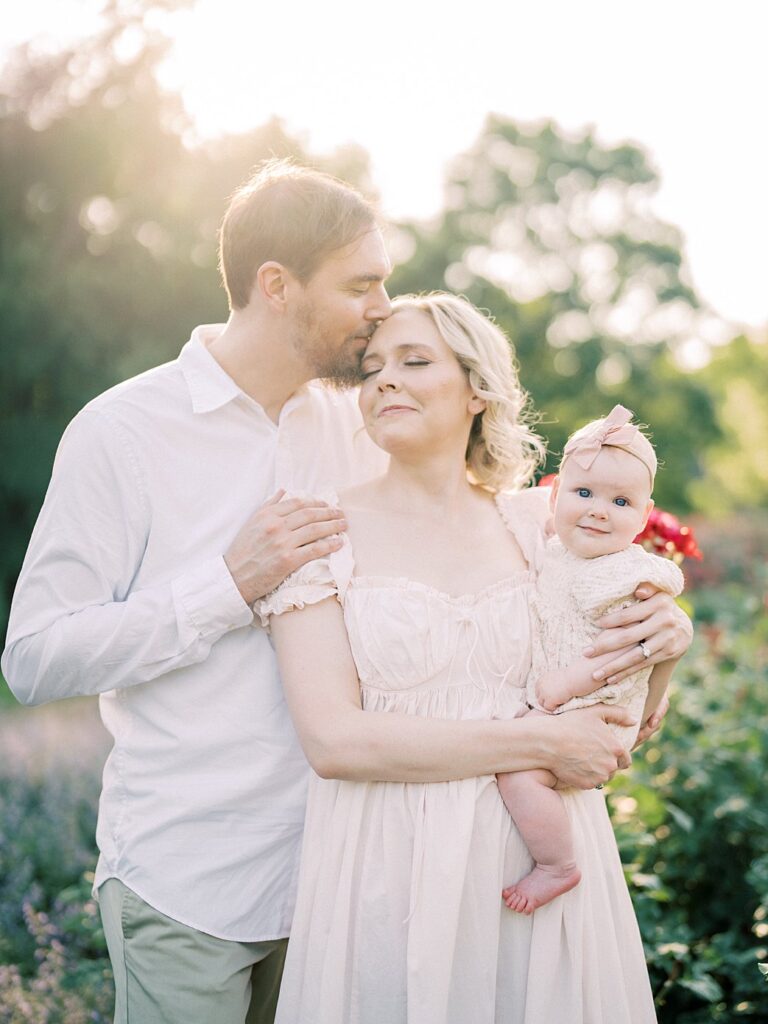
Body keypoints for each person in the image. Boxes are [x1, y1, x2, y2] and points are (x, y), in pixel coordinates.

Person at [1, 162, 689, 1024]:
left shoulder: (363, 418)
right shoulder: (124, 433)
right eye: (363, 284)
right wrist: (227, 584)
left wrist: (652, 618)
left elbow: (487, 538)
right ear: (278, 287)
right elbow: (33, 658)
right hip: (195, 873)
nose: (381, 307)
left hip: (366, 876)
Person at [257, 293, 689, 1024]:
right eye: (372, 368)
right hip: (389, 869)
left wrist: (664, 642)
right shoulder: (321, 530)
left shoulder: (539, 528)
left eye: (414, 361)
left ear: (478, 391)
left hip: (534, 863)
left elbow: (620, 722)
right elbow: (333, 740)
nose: (384, 380)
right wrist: (540, 740)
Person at [498, 405, 684, 916]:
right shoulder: (557, 553)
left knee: (517, 774)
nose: (599, 510)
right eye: (583, 494)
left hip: (600, 706)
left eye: (620, 501)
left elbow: (627, 652)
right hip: (568, 698)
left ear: (644, 517)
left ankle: (557, 864)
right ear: (555, 496)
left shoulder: (623, 577)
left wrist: (563, 685)